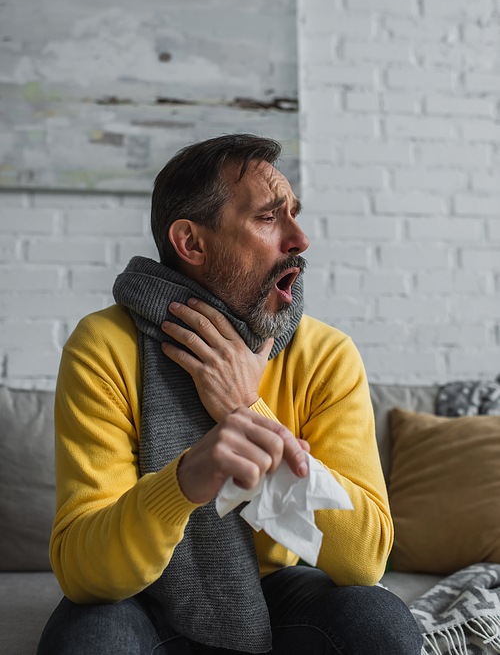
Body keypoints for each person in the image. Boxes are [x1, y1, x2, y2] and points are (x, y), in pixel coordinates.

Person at [38, 134, 422, 654]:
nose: (300, 238)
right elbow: (84, 574)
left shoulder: (326, 355)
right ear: (191, 243)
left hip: (272, 590)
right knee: (91, 641)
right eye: (269, 218)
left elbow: (366, 560)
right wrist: (183, 484)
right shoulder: (104, 347)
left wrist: (246, 408)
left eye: (294, 214)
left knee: (380, 624)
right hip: (137, 595)